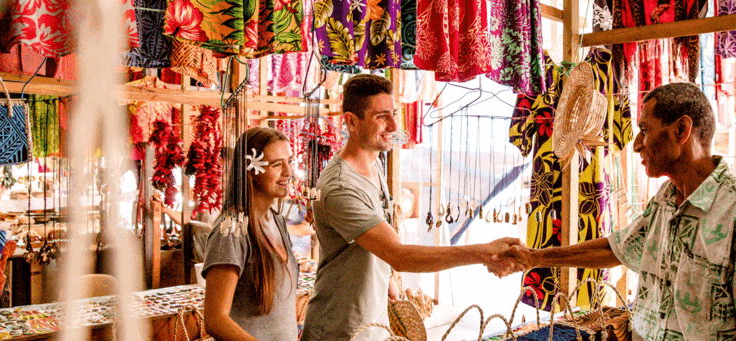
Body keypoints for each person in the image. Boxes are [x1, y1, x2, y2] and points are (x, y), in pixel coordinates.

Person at [498, 82, 736, 341]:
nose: (637, 144)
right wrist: (535, 258)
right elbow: (616, 248)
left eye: (644, 130)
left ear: (681, 130)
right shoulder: (666, 202)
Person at [300, 74, 523, 341]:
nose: (394, 125)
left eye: (394, 113)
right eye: (381, 116)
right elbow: (399, 255)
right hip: (338, 330)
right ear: (350, 121)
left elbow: (371, 246)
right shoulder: (340, 185)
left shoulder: (374, 165)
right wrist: (482, 253)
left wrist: (386, 282)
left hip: (371, 324)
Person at [202, 127, 299, 340]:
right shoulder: (232, 231)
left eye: (290, 161)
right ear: (251, 171)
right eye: (276, 164)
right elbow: (215, 319)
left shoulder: (277, 221)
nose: (288, 171)